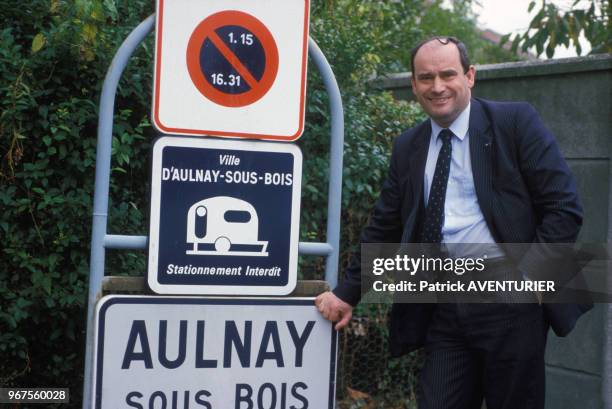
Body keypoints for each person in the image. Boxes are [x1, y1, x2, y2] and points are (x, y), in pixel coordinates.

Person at [315, 36, 591, 409]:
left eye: (447, 74)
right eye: (426, 78)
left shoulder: (514, 122)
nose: (437, 86)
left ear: (470, 76)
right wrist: (347, 293)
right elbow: (385, 227)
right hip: (442, 305)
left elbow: (563, 206)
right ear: (413, 84)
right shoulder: (408, 147)